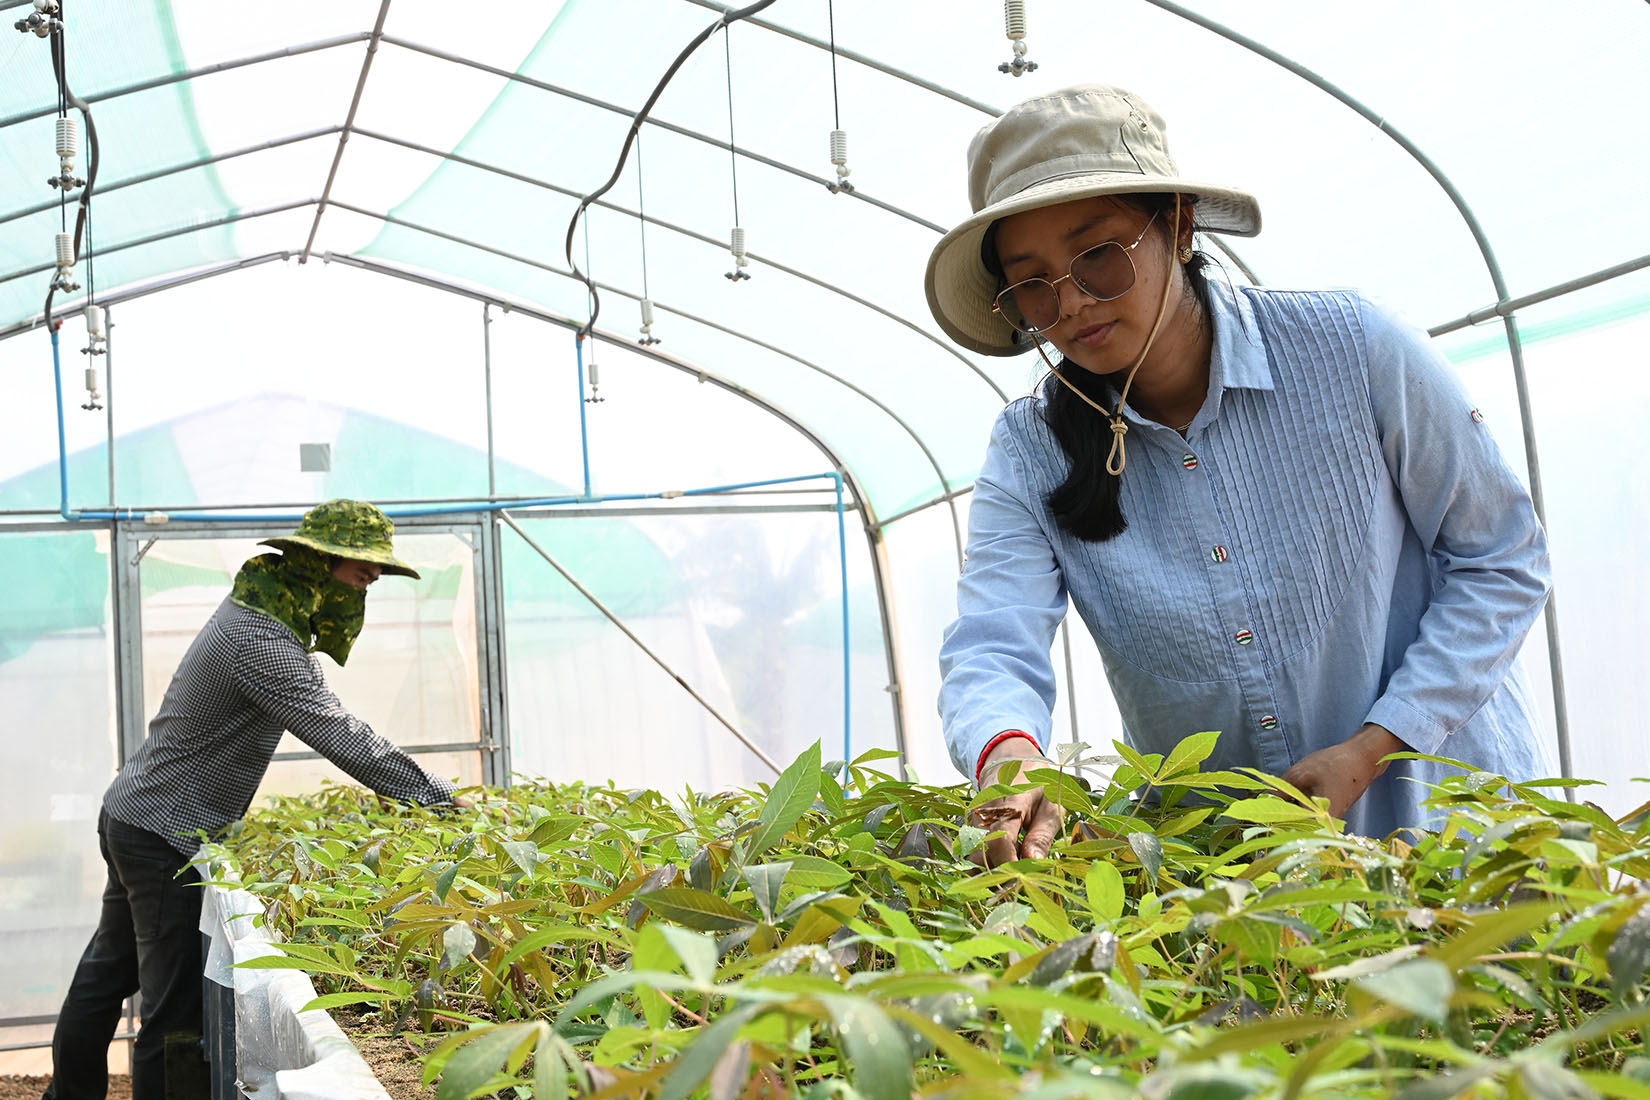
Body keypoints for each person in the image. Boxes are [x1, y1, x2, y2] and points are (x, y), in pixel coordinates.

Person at [926, 85, 1552, 864]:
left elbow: (1500, 557)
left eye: (1098, 255)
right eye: (1033, 282)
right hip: (1236, 882)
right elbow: (992, 640)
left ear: (1179, 225)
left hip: (1452, 839)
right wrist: (1012, 757)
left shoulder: (1355, 351)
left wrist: (1376, 745)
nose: (1073, 301)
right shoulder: (1031, 449)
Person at [44, 499, 468, 1100]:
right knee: (172, 1010)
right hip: (165, 830)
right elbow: (335, 730)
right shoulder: (262, 638)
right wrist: (436, 798)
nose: (369, 585)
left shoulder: (262, 609)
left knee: (107, 972)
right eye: (362, 572)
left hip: (138, 811)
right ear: (319, 561)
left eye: (375, 575)